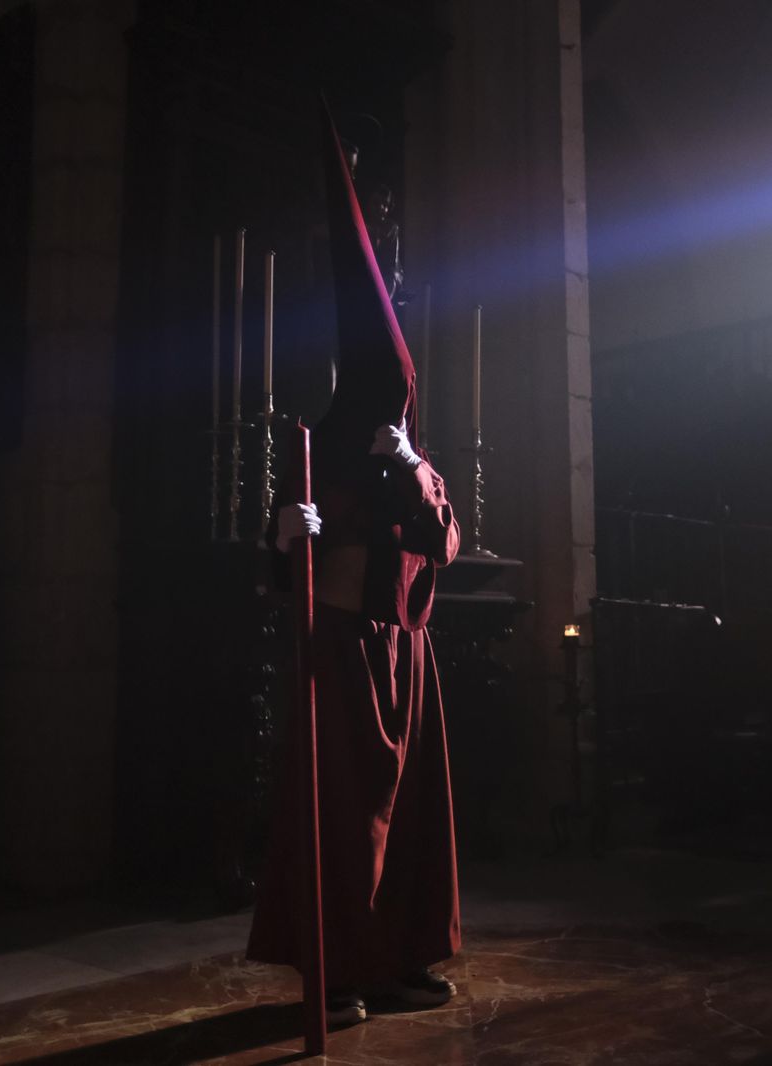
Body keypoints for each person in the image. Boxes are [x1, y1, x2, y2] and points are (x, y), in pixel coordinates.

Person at [245, 100, 461, 1030]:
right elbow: (288, 556)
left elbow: (444, 538)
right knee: (344, 820)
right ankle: (337, 972)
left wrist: (410, 464)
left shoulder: (409, 456)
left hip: (406, 653)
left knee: (408, 821)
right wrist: (286, 535)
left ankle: (400, 958)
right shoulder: (321, 450)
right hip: (341, 649)